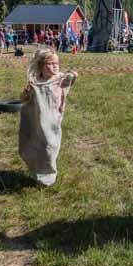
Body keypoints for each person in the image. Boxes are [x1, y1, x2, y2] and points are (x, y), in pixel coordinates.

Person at [18, 48, 78, 186]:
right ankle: (37, 169)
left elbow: (70, 80)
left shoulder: (60, 79)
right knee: (35, 146)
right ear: (41, 66)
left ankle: (47, 178)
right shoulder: (35, 83)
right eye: (50, 64)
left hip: (53, 121)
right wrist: (26, 94)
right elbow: (23, 99)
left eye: (57, 63)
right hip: (38, 121)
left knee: (50, 147)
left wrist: (73, 75)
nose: (55, 66)